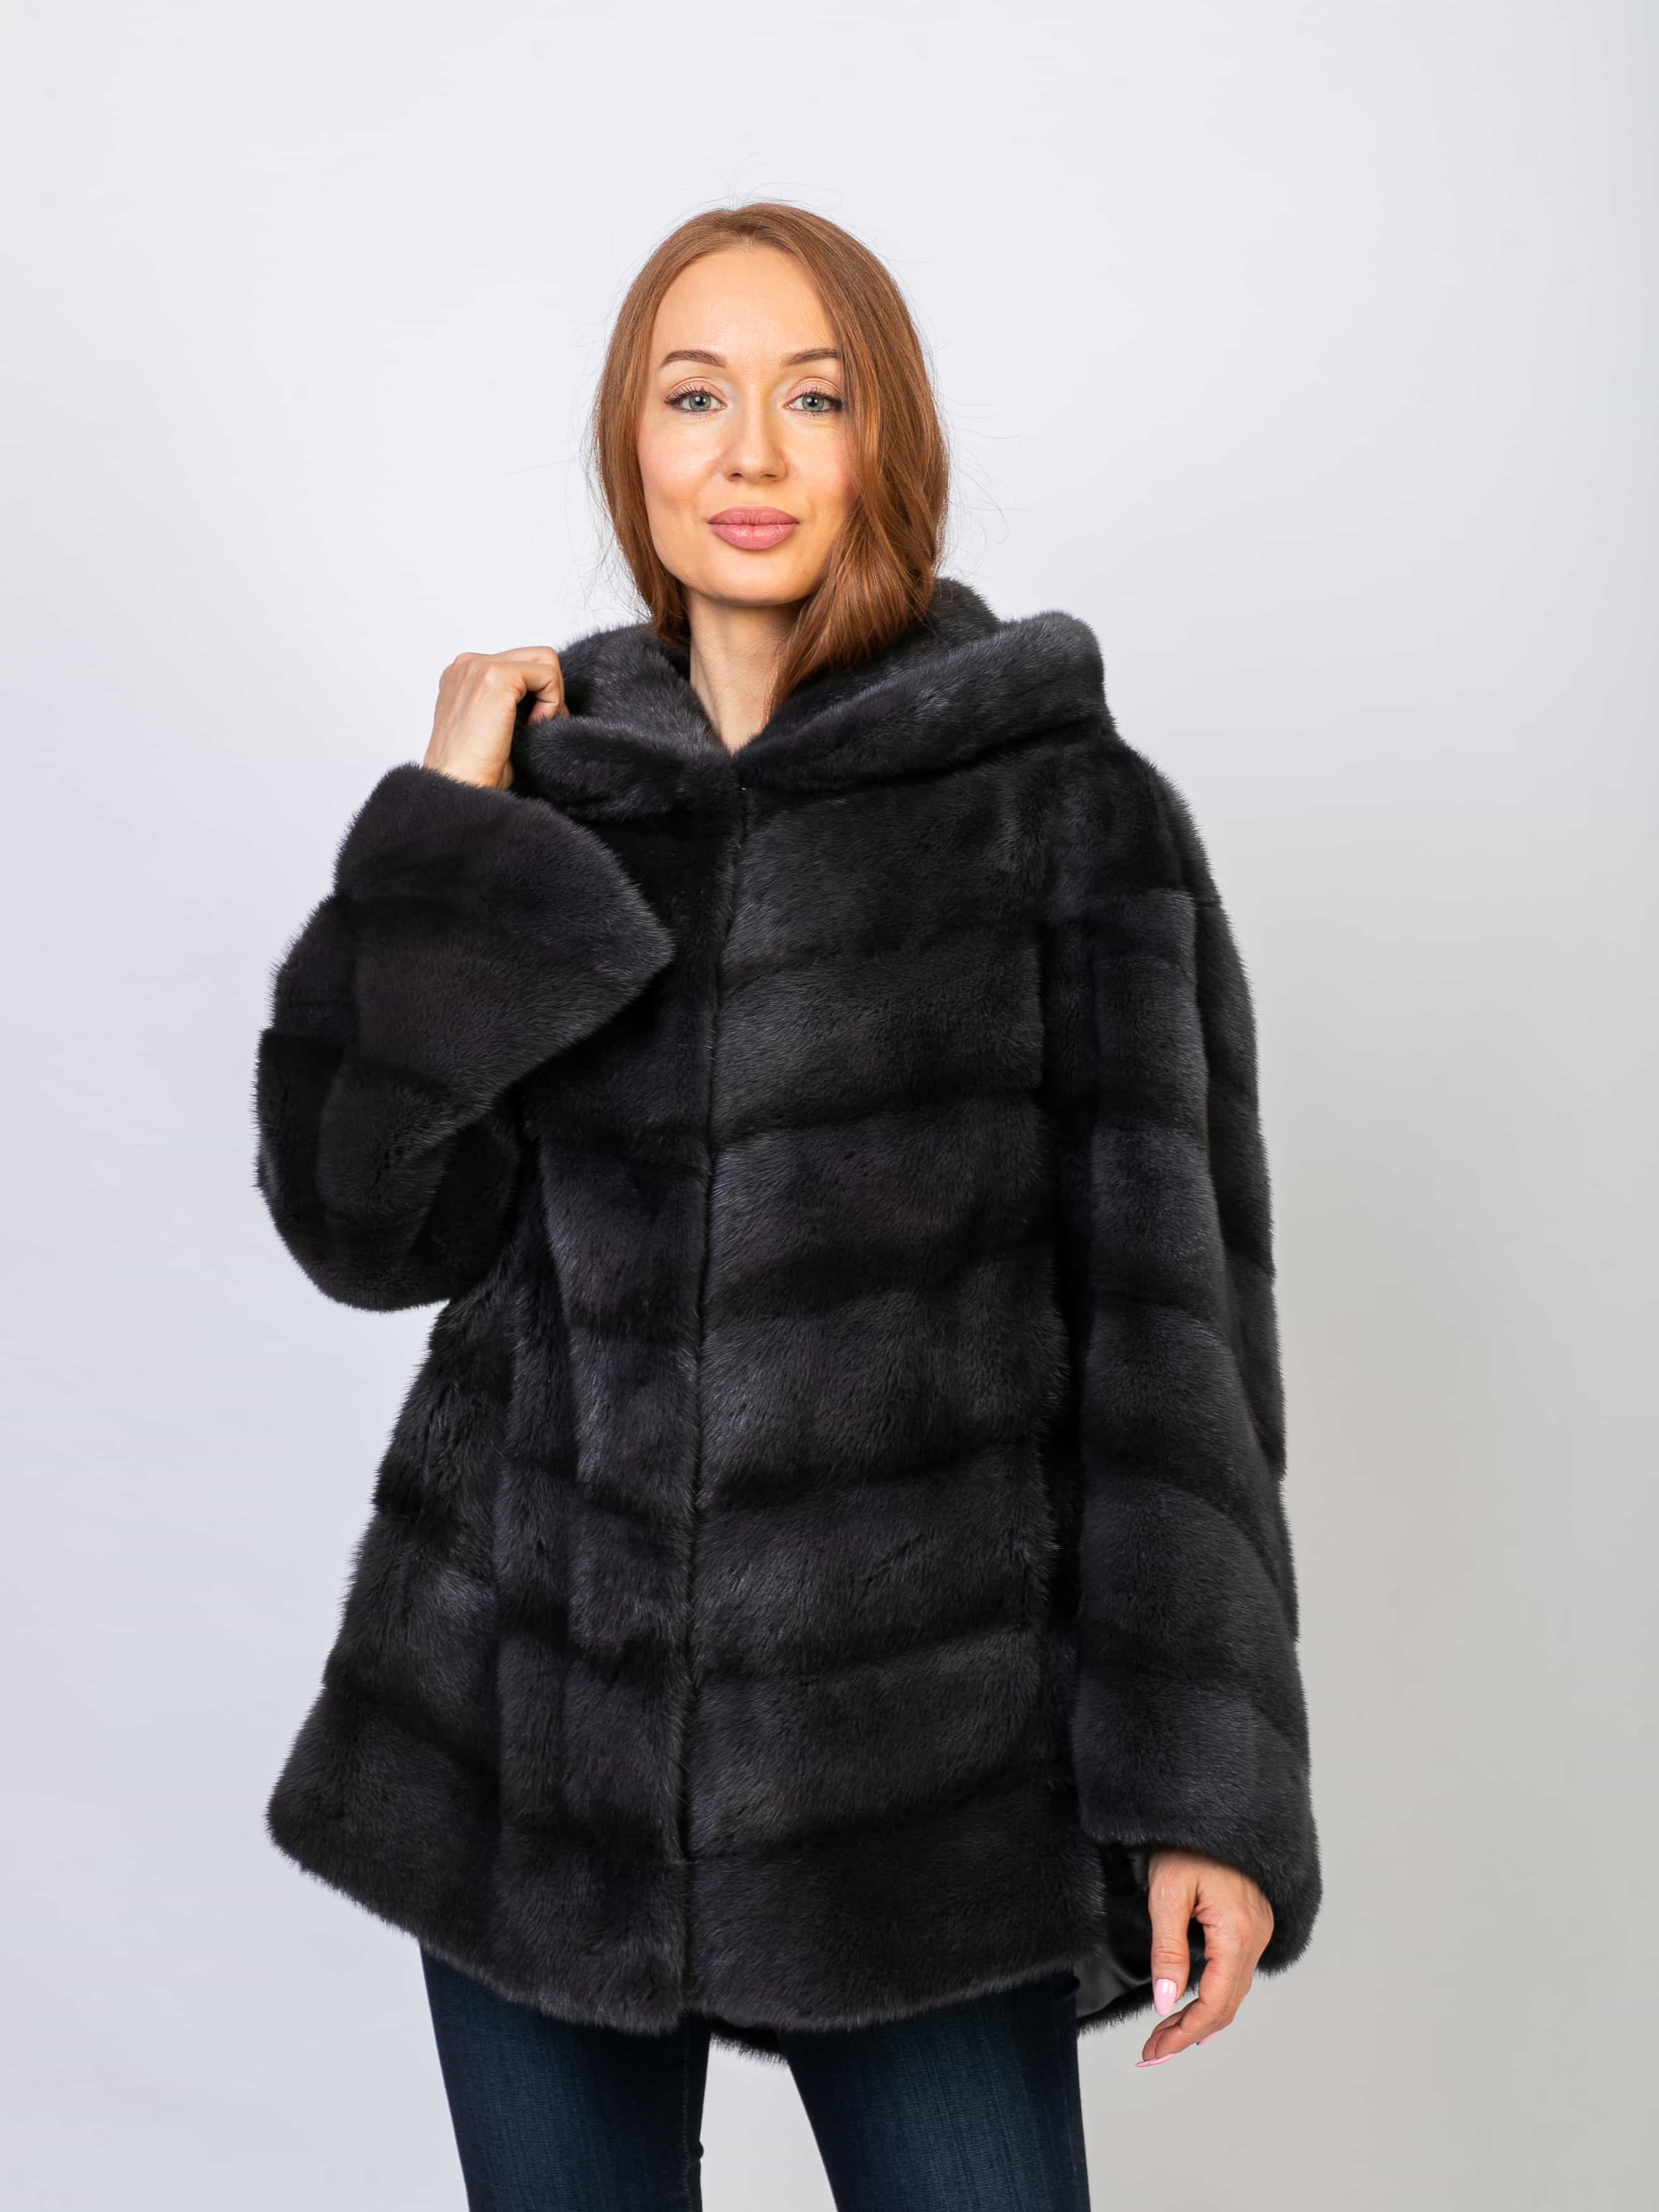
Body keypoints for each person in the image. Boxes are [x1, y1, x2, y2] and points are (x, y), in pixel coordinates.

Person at [252, 200, 1320, 2212]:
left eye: (811, 398)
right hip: (531, 1756)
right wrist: (448, 840)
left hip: (917, 1792)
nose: (749, 452)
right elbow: (362, 1227)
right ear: (631, 444)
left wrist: (1207, 1787)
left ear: (880, 440)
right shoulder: (546, 796)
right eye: (694, 396)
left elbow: (1169, 1343)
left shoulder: (1059, 811)